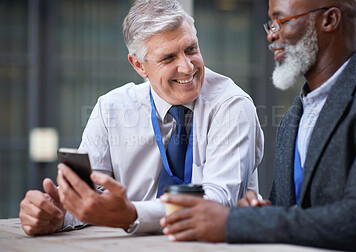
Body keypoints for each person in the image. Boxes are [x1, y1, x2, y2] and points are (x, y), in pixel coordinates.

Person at [160, 0, 356, 251]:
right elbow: (289, 211)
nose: (271, 34)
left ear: (329, 20)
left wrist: (241, 222)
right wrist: (259, 210)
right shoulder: (293, 118)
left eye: (281, 21)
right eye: (270, 23)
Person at [19, 0, 264, 236]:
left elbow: (219, 200)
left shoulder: (232, 105)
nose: (188, 67)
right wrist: (60, 213)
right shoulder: (111, 109)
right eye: (169, 58)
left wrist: (131, 214)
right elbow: (91, 193)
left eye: (191, 49)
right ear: (139, 65)